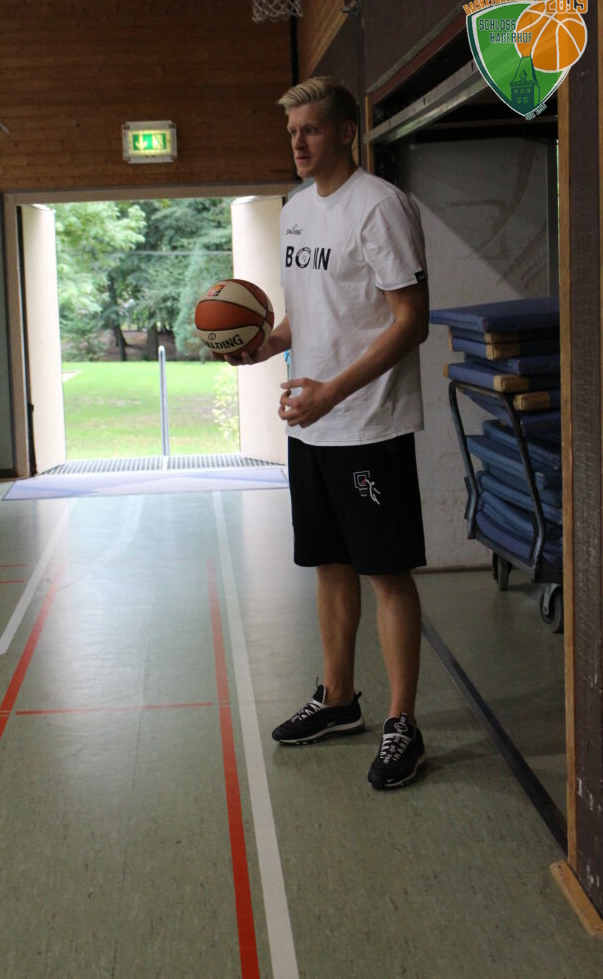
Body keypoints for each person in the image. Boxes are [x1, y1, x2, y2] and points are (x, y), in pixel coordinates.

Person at [224, 76, 429, 790]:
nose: (298, 143)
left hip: (368, 423)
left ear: (346, 131)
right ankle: (339, 699)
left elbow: (411, 320)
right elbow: (309, 312)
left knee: (385, 573)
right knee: (329, 565)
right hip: (310, 427)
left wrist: (331, 392)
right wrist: (266, 343)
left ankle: (403, 724)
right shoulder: (295, 210)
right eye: (291, 133)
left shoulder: (380, 207)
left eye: (310, 129)